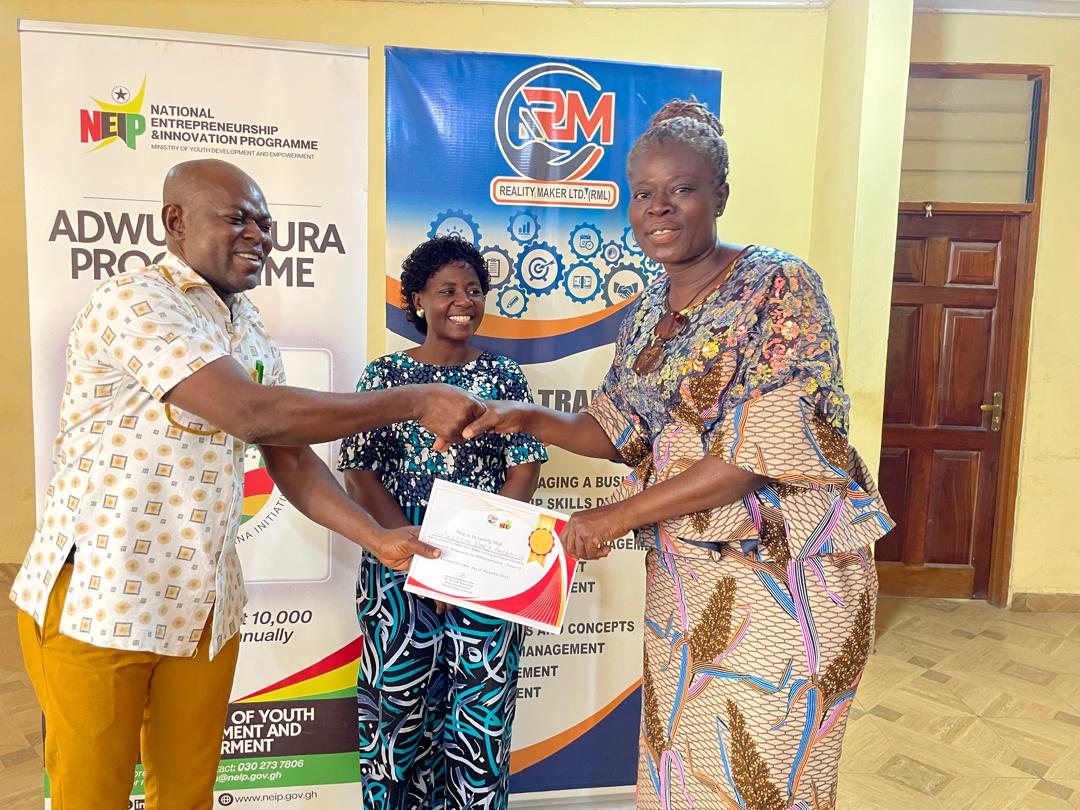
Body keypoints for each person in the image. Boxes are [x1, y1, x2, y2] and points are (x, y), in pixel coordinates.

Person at [10, 160, 486, 810]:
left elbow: (290, 457)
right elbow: (250, 412)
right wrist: (412, 400)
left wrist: (376, 538)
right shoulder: (135, 301)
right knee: (91, 796)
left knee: (188, 794)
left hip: (203, 608)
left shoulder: (249, 325)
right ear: (176, 222)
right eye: (237, 219)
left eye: (264, 222)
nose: (258, 235)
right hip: (100, 598)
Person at [464, 101, 894, 809]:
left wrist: (612, 517)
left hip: (783, 574)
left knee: (759, 777)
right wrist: (524, 418)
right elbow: (616, 428)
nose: (658, 208)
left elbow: (757, 450)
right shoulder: (645, 312)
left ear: (720, 195)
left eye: (681, 189)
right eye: (643, 193)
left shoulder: (779, 285)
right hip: (684, 575)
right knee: (683, 771)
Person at [338, 235, 546, 810]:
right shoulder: (385, 376)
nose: (463, 301)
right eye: (447, 290)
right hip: (397, 561)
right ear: (418, 300)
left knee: (480, 715)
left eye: (474, 290)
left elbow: (524, 469)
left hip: (487, 564)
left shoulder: (504, 377)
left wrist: (473, 557)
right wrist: (419, 557)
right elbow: (360, 474)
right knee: (396, 713)